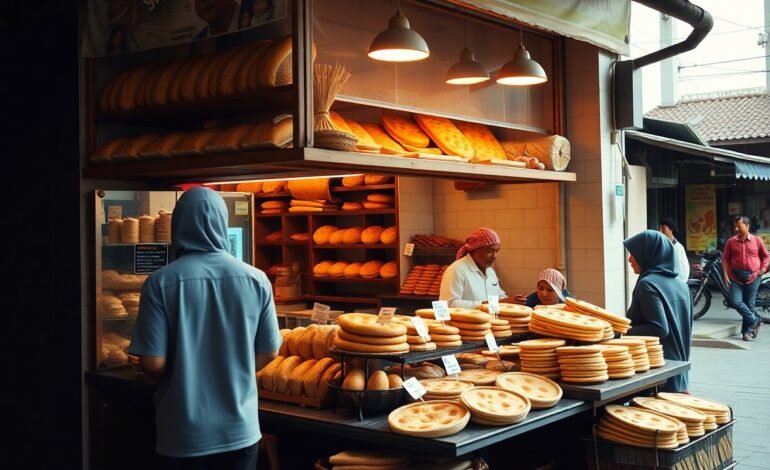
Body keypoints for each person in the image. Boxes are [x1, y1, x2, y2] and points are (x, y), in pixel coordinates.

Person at [129, 186, 281, 468]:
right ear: (222, 224)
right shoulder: (257, 279)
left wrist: (184, 373)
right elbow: (269, 352)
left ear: (177, 225)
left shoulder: (161, 282)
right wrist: (236, 369)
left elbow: (152, 362)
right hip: (240, 430)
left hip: (183, 433)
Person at [624, 230, 692, 393]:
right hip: (678, 372)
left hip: (655, 374)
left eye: (634, 253)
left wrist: (620, 332)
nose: (629, 259)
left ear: (648, 254)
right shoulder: (682, 285)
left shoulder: (648, 285)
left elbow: (658, 328)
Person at [722, 215, 767, 341]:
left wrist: (762, 269)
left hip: (753, 276)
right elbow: (725, 259)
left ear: (747, 226)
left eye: (739, 226)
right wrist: (725, 274)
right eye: (735, 226)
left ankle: (746, 332)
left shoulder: (757, 240)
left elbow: (765, 256)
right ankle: (755, 320)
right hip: (735, 277)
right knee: (735, 301)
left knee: (749, 304)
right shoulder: (731, 242)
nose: (736, 229)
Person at [439, 227, 507, 308]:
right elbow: (449, 304)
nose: (494, 256)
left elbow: (499, 296)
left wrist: (512, 301)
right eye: (490, 251)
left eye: (497, 251)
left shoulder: (490, 272)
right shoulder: (457, 270)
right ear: (475, 250)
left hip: (489, 320)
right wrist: (485, 305)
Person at [659, 217, 690, 283]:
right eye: (660, 228)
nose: (660, 231)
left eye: (663, 228)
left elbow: (678, 269)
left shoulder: (677, 247)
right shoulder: (666, 244)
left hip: (677, 281)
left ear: (671, 229)